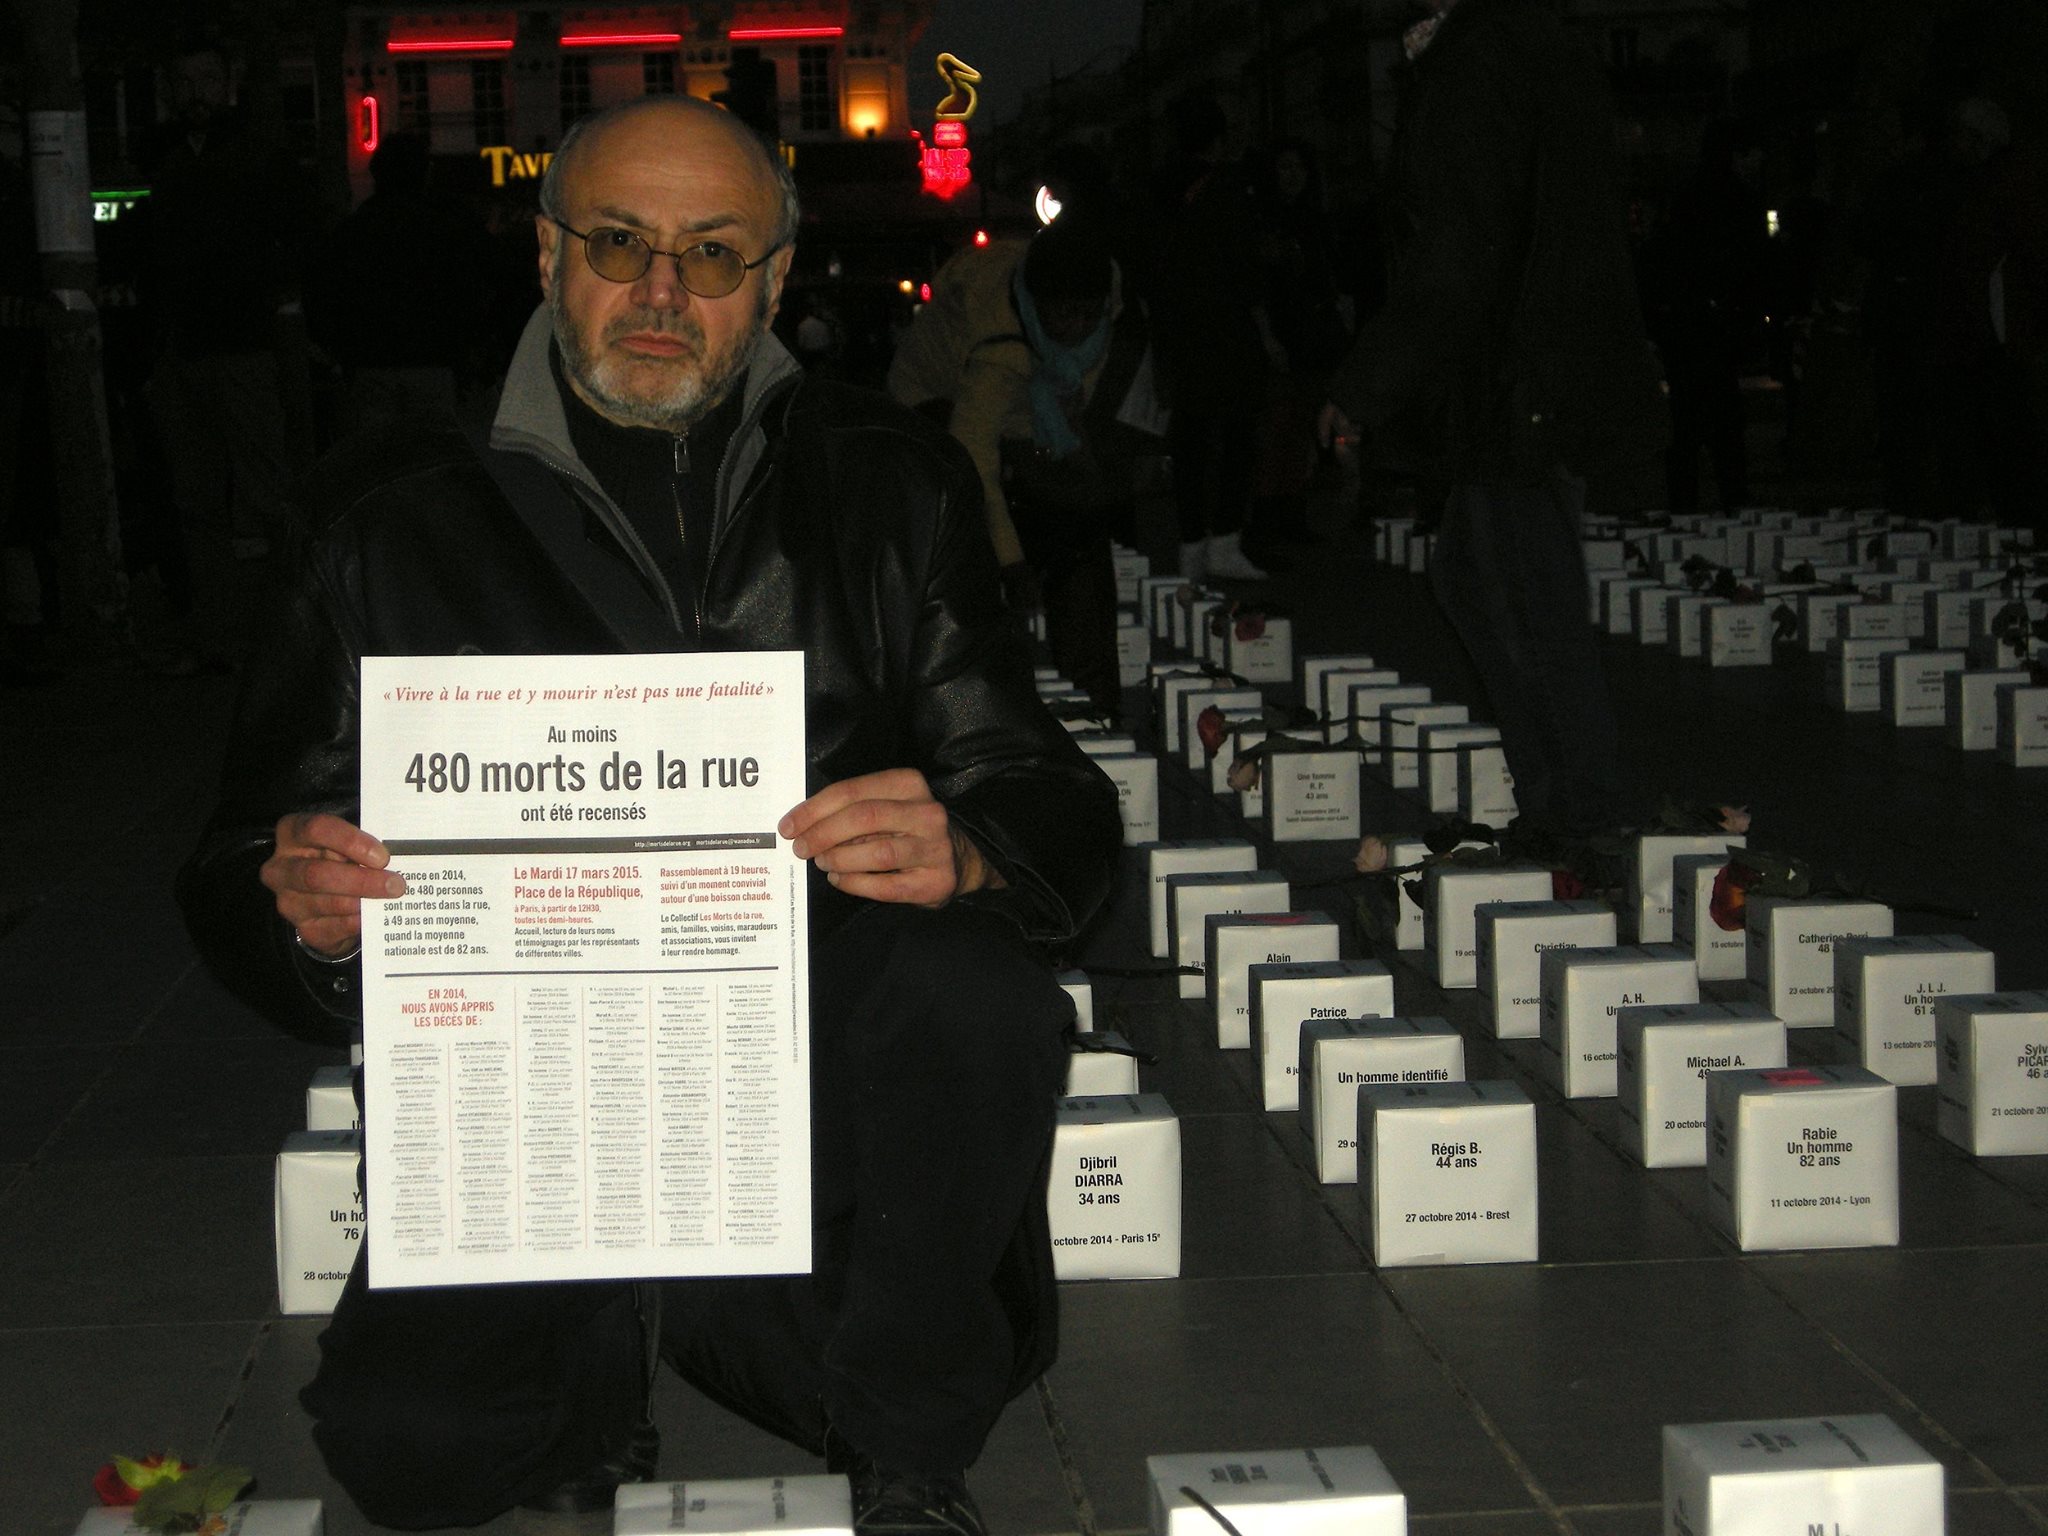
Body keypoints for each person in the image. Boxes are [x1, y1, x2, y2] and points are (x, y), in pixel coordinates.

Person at [176, 97, 1121, 1536]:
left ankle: (898, 1429)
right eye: (620, 243)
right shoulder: (381, 511)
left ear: (779, 279)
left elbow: (1046, 788)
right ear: (551, 255)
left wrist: (971, 841)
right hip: (527, 1091)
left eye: (714, 253)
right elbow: (242, 849)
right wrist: (293, 899)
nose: (663, 291)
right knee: (417, 1453)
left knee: (972, 981)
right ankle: (619, 1306)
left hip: (809, 1067)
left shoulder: (887, 482)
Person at [1321, 0, 1665, 855]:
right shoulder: (1515, 47)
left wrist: (1368, 384)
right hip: (1527, 362)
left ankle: (1580, 812)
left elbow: (1459, 249)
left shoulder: (1477, 64)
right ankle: (1565, 803)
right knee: (1489, 577)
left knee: (1519, 589)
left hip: (1515, 371)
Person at [891, 215, 1151, 721]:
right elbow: (974, 459)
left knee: (1080, 540)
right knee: (973, 550)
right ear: (1036, 306)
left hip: (1026, 417)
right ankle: (985, 715)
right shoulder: (999, 347)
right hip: (935, 407)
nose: (1077, 330)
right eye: (1064, 317)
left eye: (1087, 316)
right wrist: (1010, 561)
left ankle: (1095, 709)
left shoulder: (1108, 292)